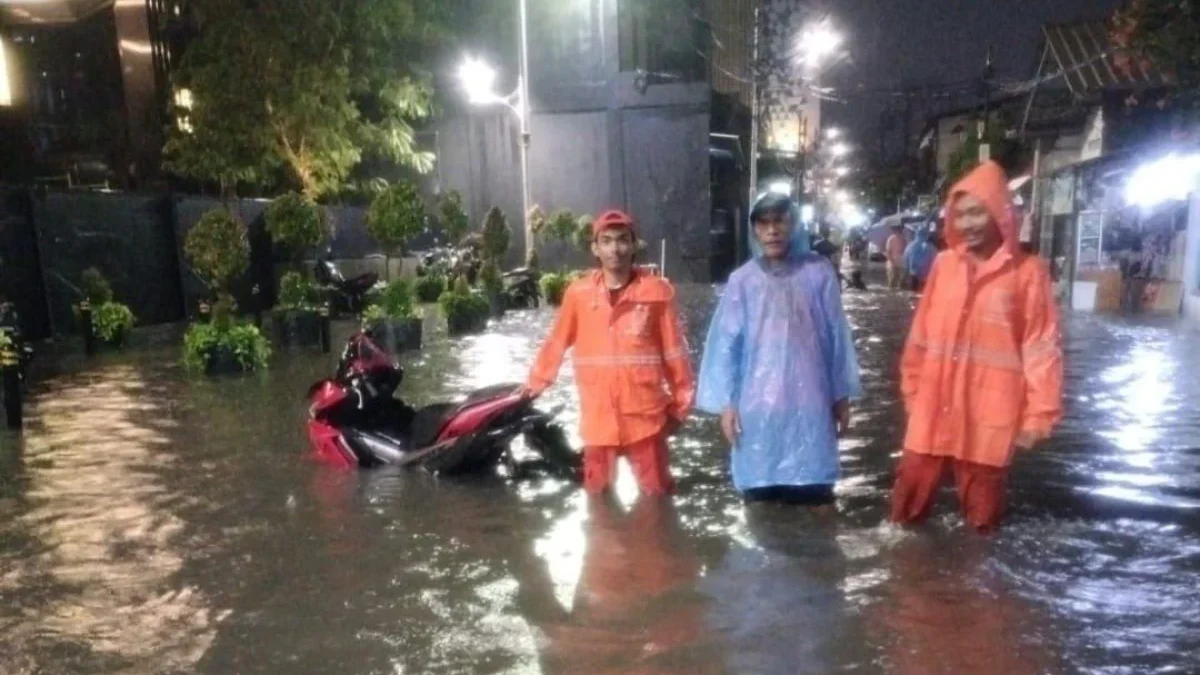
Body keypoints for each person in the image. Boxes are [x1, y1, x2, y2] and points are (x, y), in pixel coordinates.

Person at [890, 161, 1064, 534]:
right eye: (959, 214)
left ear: (999, 211)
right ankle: (905, 586)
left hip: (991, 413)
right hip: (933, 407)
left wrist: (1038, 417)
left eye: (976, 212)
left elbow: (1040, 347)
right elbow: (920, 336)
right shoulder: (943, 265)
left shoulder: (1028, 272)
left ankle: (977, 589)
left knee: (983, 525)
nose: (966, 224)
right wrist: (912, 391)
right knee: (904, 513)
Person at [696, 193, 861, 508]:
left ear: (794, 225)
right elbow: (727, 348)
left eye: (779, 220)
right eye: (764, 223)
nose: (772, 230)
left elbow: (835, 337)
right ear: (755, 230)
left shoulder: (819, 272)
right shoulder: (742, 282)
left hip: (811, 405)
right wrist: (728, 406)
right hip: (758, 412)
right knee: (760, 502)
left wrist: (841, 396)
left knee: (815, 502)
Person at [521, 209, 695, 496]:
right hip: (598, 419)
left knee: (657, 499)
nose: (615, 248)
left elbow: (675, 353)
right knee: (597, 501)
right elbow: (556, 342)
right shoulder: (578, 295)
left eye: (623, 240)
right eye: (607, 241)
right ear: (595, 248)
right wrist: (533, 386)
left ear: (634, 245)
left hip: (646, 418)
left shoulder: (656, 294)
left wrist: (680, 407)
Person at [903, 225, 937, 292]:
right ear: (927, 235)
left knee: (913, 295)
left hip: (913, 276)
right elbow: (936, 261)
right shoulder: (931, 247)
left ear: (916, 234)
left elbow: (906, 260)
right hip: (927, 277)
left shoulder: (910, 246)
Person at [885, 224, 908, 289]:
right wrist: (891, 261)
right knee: (893, 280)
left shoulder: (903, 238)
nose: (899, 231)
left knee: (899, 281)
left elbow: (905, 250)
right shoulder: (891, 238)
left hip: (900, 260)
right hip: (894, 260)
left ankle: (894, 290)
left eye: (900, 229)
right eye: (898, 229)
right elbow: (888, 251)